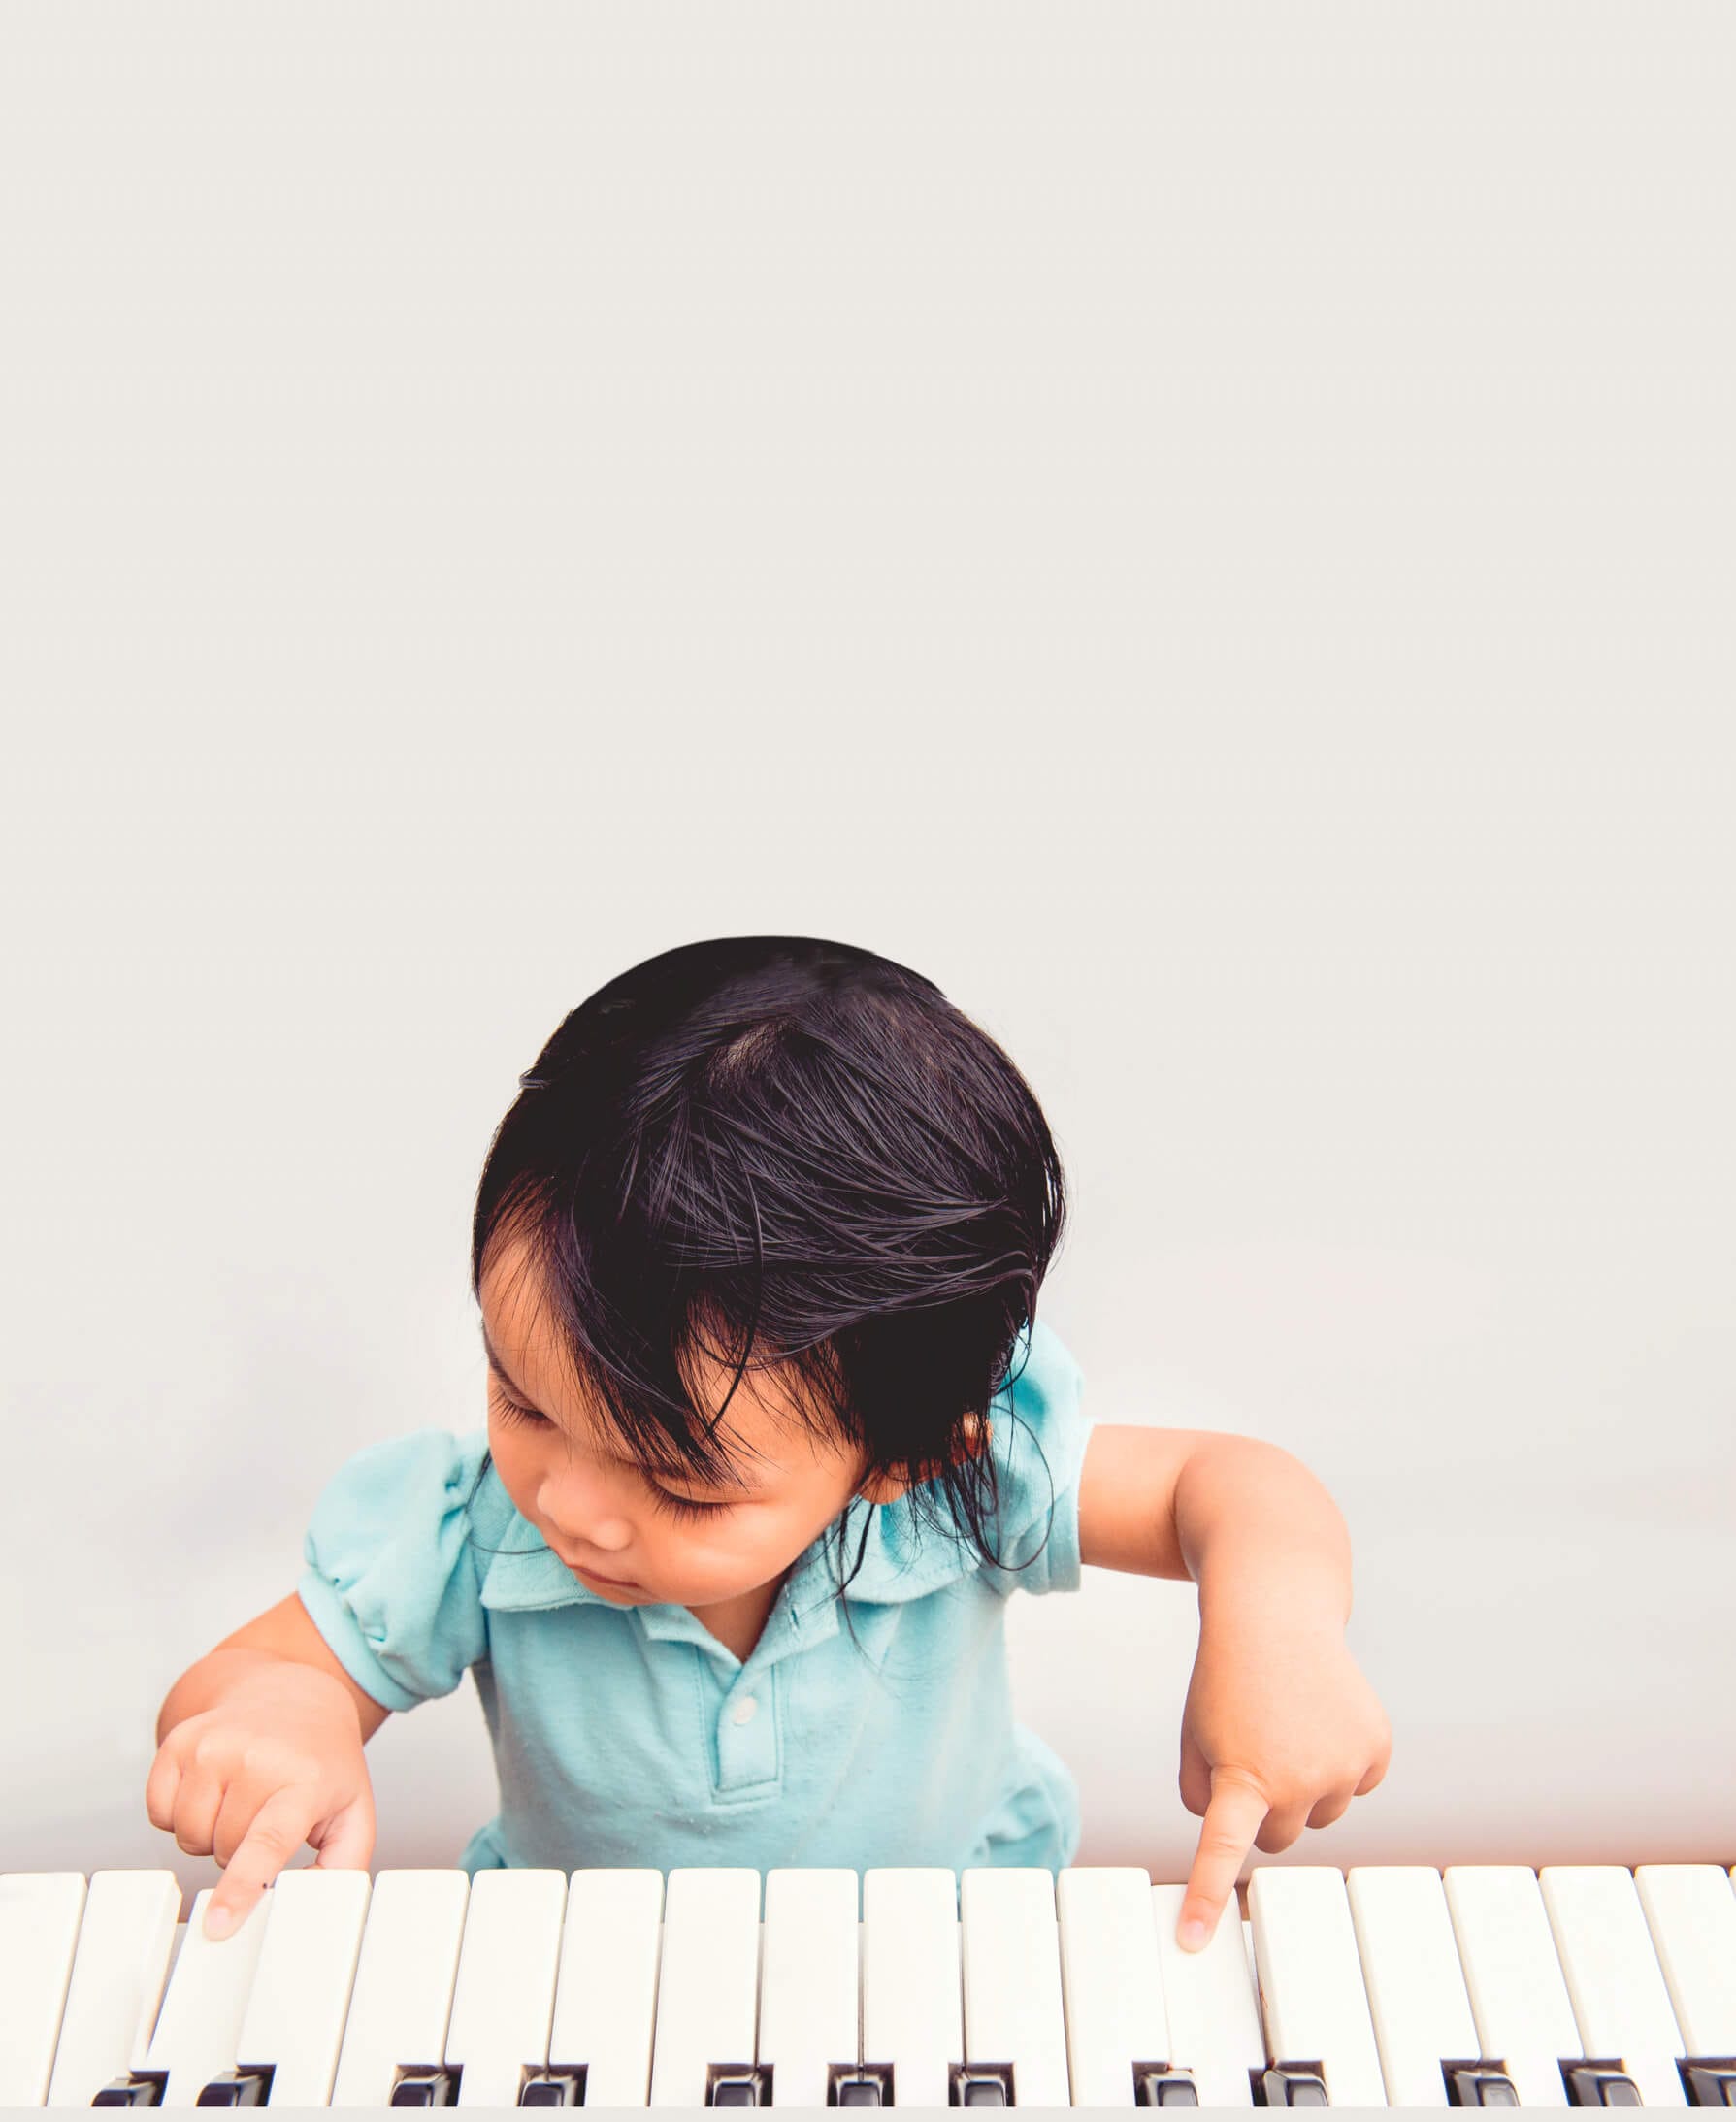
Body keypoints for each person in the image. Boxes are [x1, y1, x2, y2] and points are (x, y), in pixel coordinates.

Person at [148, 936, 1392, 1953]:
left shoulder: (962, 1482)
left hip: (952, 1947)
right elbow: (267, 1674)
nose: (571, 1506)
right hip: (591, 1976)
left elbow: (1226, 1488)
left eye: (684, 1487)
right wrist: (278, 1721)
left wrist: (1277, 1632)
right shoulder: (471, 1528)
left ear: (904, 1454)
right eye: (524, 1401)